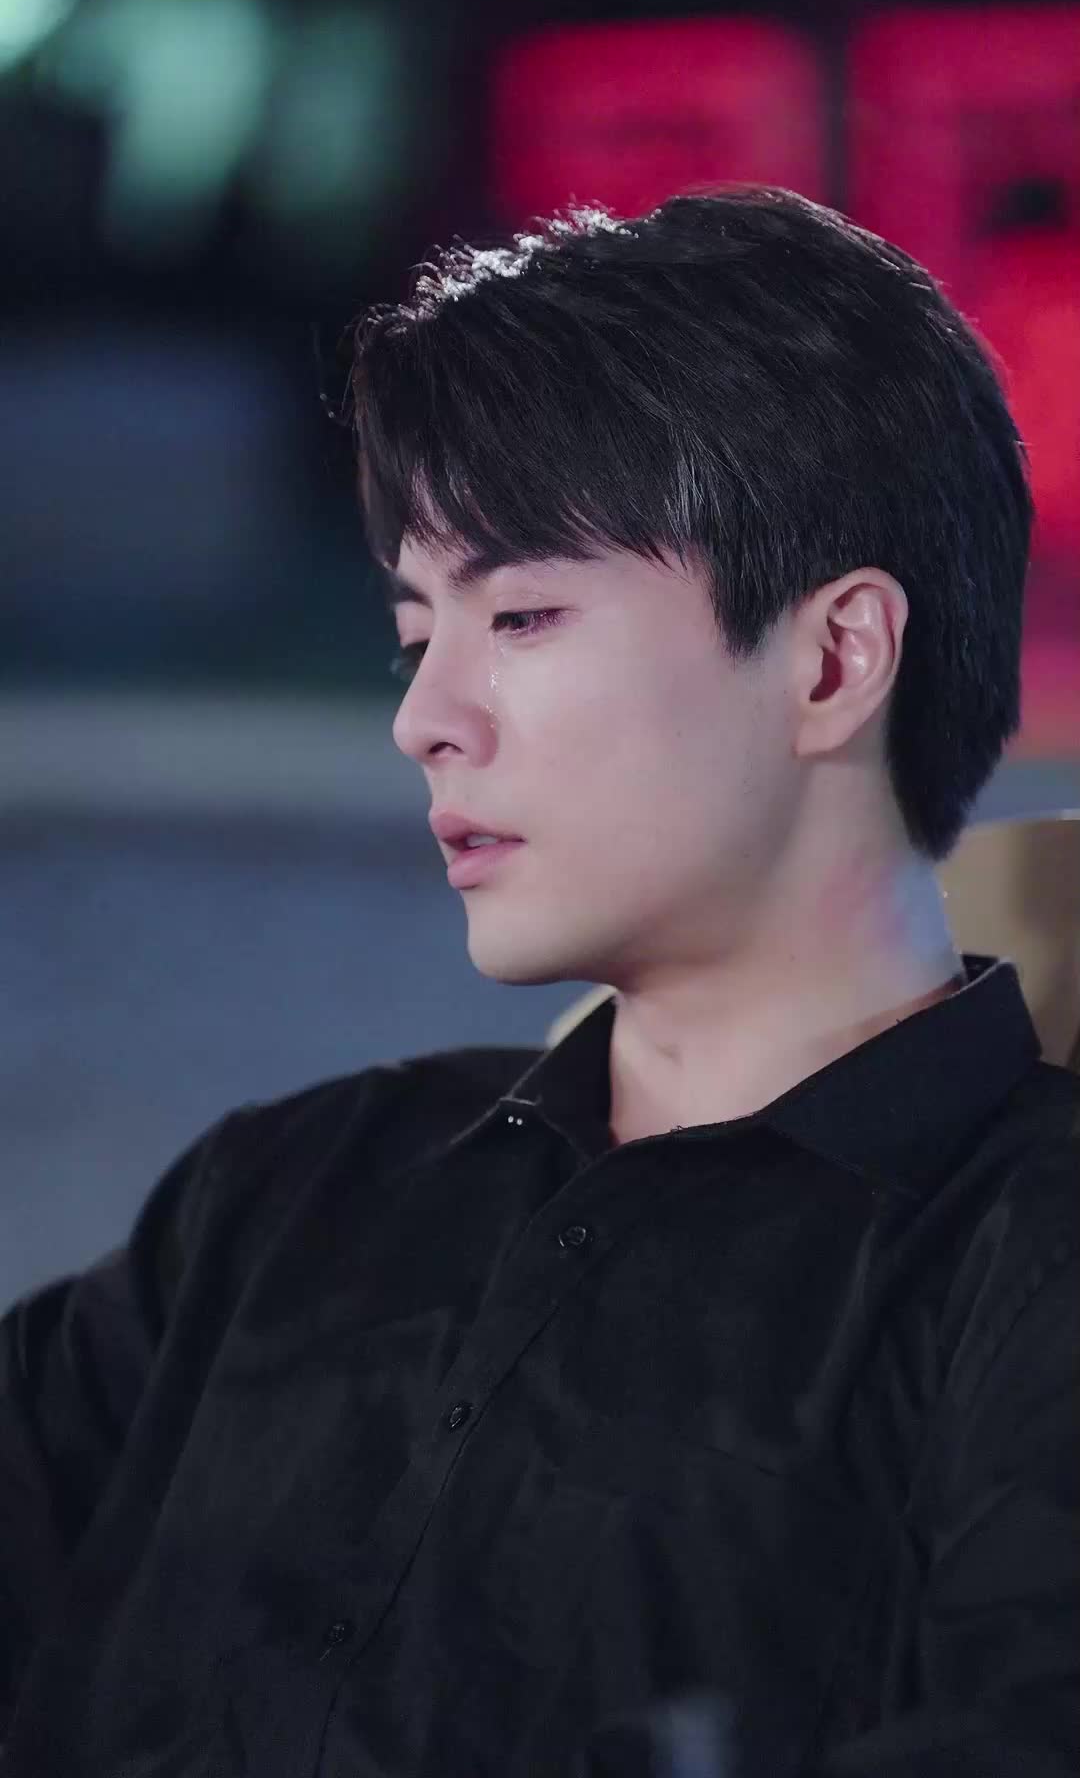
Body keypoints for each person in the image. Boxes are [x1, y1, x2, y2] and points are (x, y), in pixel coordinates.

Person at [2, 186, 1077, 1777]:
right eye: (414, 635)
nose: (424, 718)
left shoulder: (1022, 1268)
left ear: (833, 658)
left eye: (521, 615)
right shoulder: (282, 1195)